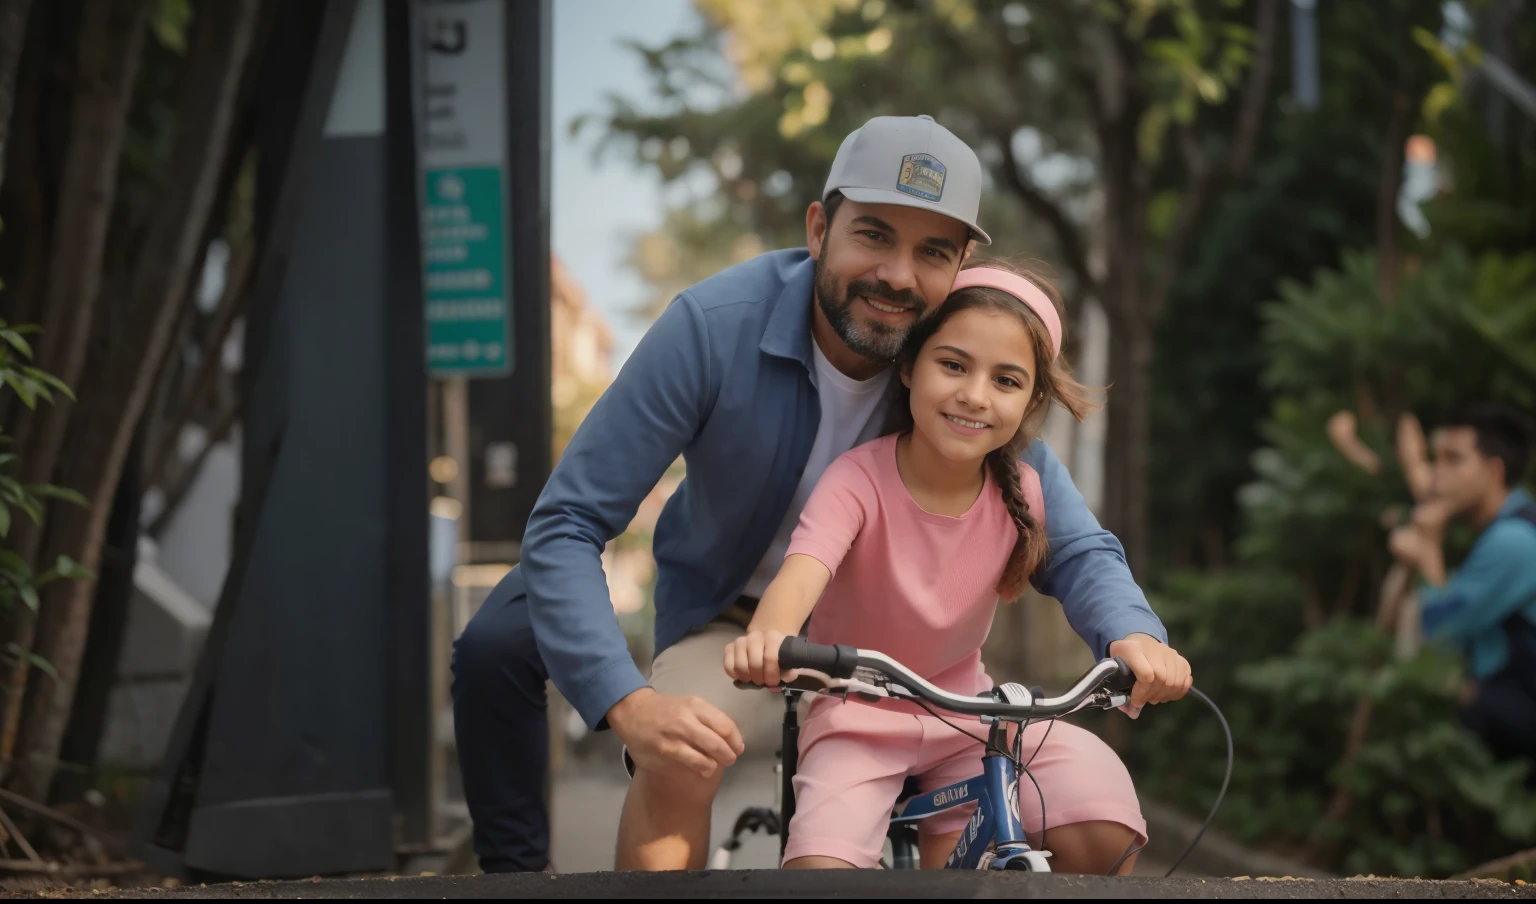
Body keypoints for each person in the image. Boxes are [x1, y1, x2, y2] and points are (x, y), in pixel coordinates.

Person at [450, 114, 1171, 873]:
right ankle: (516, 882)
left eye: (931, 252)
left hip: (887, 643)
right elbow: (568, 520)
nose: (897, 274)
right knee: (526, 657)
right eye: (874, 235)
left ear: (959, 265)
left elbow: (1068, 535)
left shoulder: (957, 368)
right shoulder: (711, 327)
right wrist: (630, 707)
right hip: (736, 616)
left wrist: (1130, 630)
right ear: (820, 227)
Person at [723, 263, 1192, 871]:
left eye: (1006, 380)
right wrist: (770, 638)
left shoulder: (1025, 486)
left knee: (1103, 817)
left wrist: (1136, 638)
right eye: (953, 365)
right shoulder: (856, 479)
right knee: (822, 871)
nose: (975, 394)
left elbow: (1085, 558)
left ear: (1031, 401)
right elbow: (801, 572)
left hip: (971, 717)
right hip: (855, 718)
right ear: (908, 365)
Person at [1390, 402, 1536, 760]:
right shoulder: (1508, 527)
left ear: (1493, 471)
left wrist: (1428, 551)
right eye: (1434, 459)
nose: (1436, 475)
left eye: (1452, 461)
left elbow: (1439, 636)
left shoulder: (1513, 541)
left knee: (1432, 685)